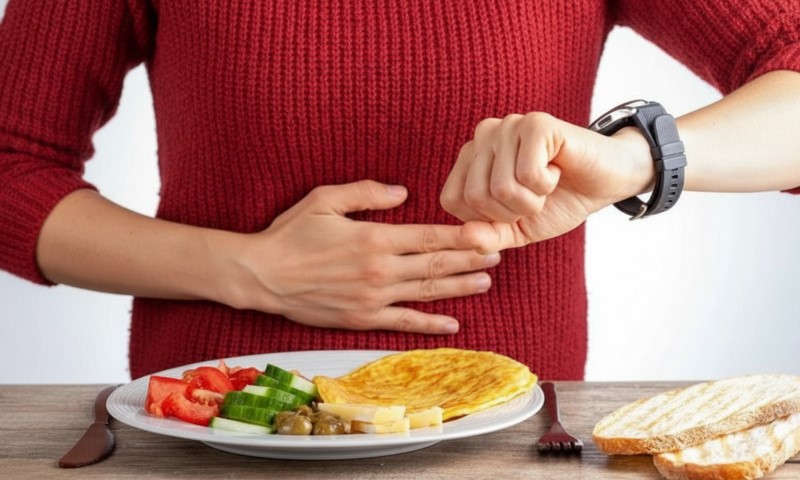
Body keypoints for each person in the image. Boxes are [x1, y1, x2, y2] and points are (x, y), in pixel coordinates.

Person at [0, 1, 798, 381]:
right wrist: (247, 269)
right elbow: (10, 168)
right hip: (208, 436)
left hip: (503, 450)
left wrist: (637, 159)